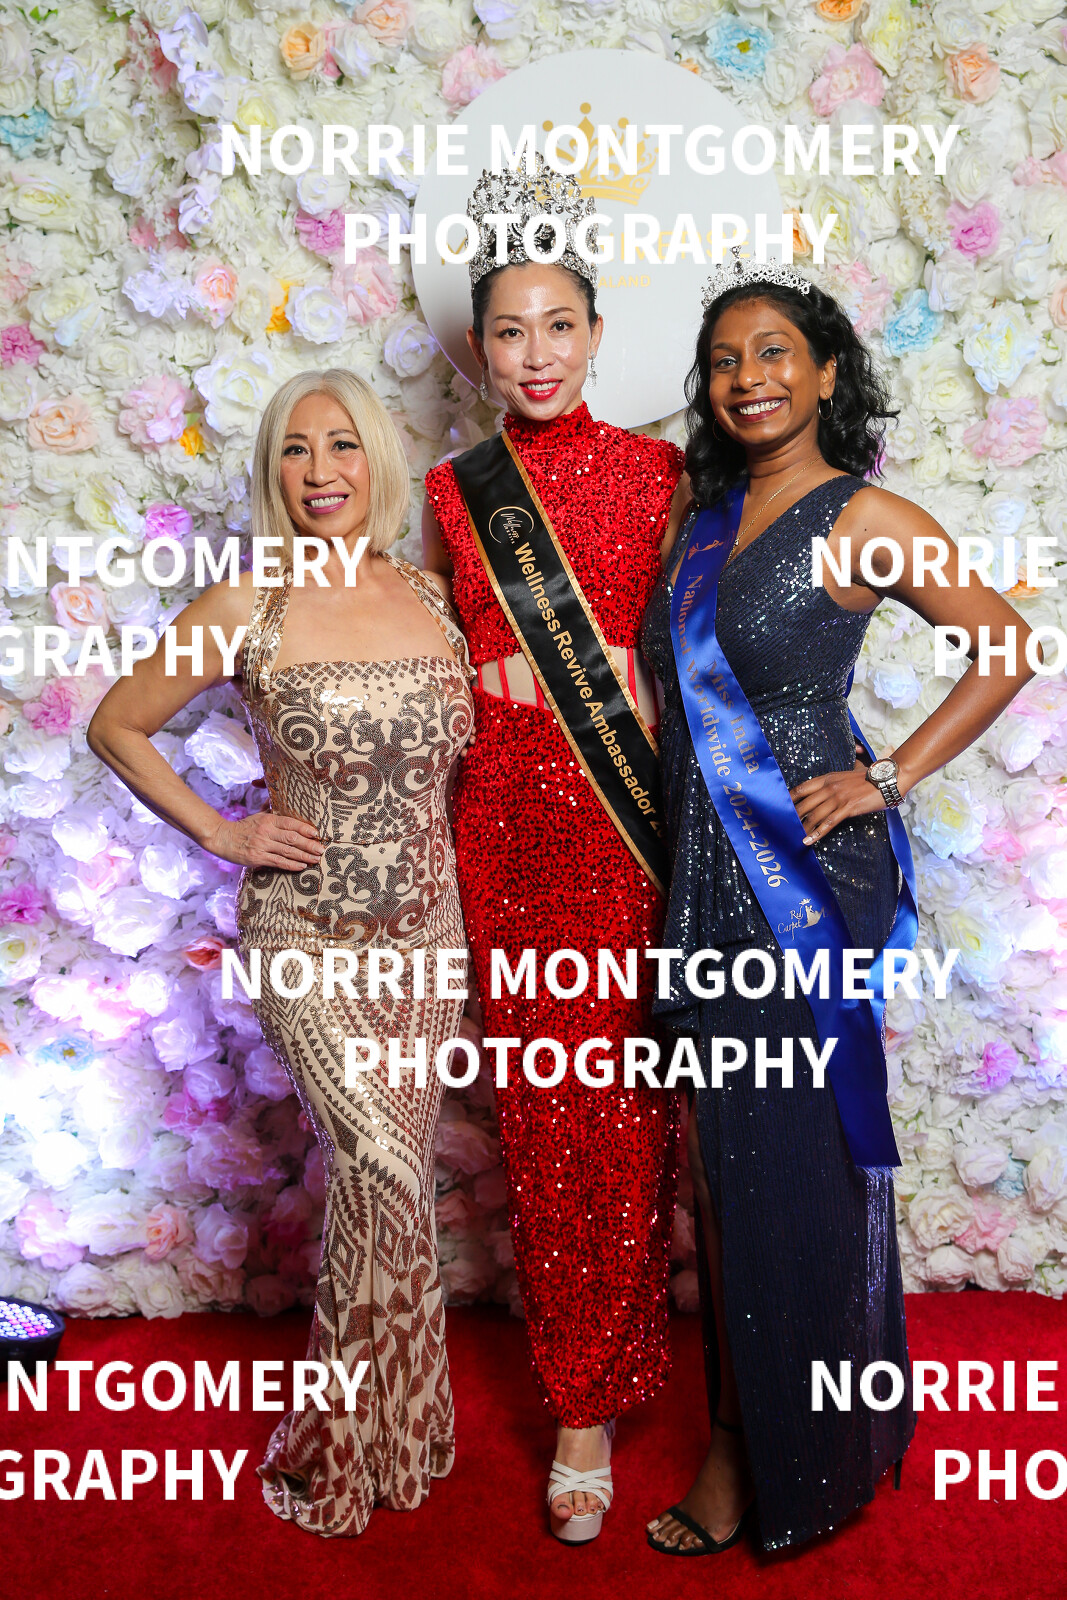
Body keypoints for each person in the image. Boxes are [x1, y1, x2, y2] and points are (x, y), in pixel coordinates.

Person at [640, 252, 1037, 1555]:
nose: (745, 377)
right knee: (724, 1169)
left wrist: (888, 775)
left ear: (821, 374)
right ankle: (769, 1427)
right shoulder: (700, 520)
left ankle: (779, 1456)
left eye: (772, 353)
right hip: (703, 863)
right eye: (723, 359)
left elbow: (1006, 646)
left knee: (790, 1166)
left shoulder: (859, 516)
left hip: (801, 872)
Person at [88, 368, 475, 1537]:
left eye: (341, 445)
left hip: (426, 939)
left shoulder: (431, 594)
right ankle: (341, 1440)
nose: (319, 471)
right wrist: (221, 829)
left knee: (392, 1181)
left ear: (377, 461)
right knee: (377, 1165)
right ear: (272, 472)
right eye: (295, 451)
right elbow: (116, 723)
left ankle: (396, 1422)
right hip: (308, 934)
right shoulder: (245, 601)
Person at [422, 157, 690, 1542]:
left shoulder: (659, 475)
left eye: (558, 326)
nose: (534, 353)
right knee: (543, 1119)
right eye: (507, 331)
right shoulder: (450, 491)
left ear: (594, 333)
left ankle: (613, 1380)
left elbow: (697, 658)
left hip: (625, 830)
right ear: (479, 347)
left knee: (626, 1115)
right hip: (504, 835)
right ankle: (577, 1395)